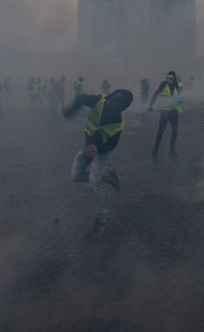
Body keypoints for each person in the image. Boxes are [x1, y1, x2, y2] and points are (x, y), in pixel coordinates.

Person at [64, 88, 132, 239]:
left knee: (94, 181)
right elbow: (81, 97)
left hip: (100, 151)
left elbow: (113, 144)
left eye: (117, 103)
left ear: (121, 108)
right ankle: (108, 176)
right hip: (87, 144)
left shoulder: (118, 121)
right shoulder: (98, 101)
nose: (112, 103)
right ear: (110, 96)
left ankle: (101, 221)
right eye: (113, 99)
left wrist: (99, 147)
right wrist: (72, 110)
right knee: (75, 176)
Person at [148, 71, 184, 158]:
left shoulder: (178, 86)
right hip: (165, 112)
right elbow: (155, 94)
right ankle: (155, 150)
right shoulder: (163, 84)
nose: (168, 80)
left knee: (174, 132)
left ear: (174, 79)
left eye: (170, 78)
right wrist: (150, 105)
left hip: (174, 112)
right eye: (167, 78)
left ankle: (172, 150)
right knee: (160, 131)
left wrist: (176, 103)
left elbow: (182, 98)